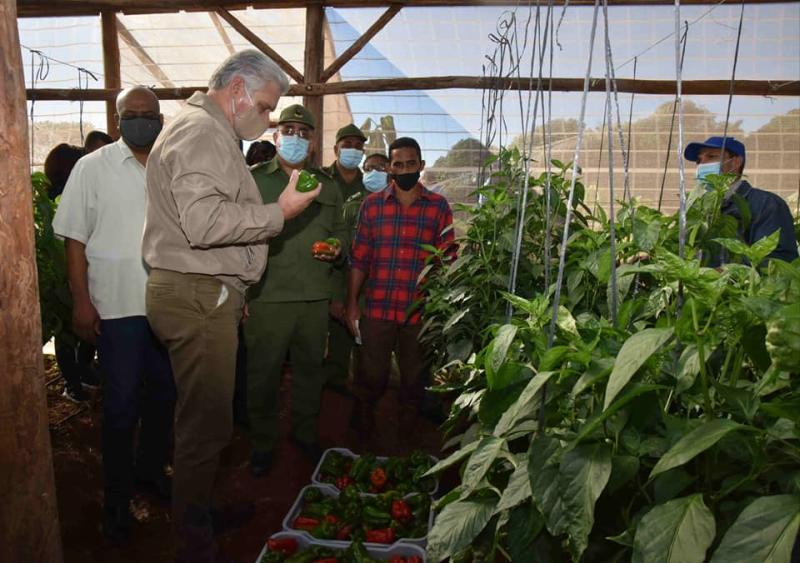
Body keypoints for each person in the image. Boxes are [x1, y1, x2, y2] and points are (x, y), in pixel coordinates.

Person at [142, 50, 319, 563]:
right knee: (204, 429)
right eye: (265, 107)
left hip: (205, 292)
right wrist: (279, 211)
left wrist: (234, 285)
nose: (268, 119)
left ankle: (197, 512)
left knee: (206, 420)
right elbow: (204, 225)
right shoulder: (202, 133)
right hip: (195, 295)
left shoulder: (205, 132)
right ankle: (194, 544)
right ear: (238, 90)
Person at [52, 86, 176, 544]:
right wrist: (81, 301)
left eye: (149, 115)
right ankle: (116, 500)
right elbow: (74, 239)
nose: (141, 121)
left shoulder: (172, 166)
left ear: (161, 120)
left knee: (165, 397)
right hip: (118, 309)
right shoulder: (93, 167)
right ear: (118, 118)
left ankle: (151, 473)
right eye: (132, 114)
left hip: (167, 307)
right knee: (121, 406)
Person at [245, 104, 347, 475]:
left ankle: (304, 433)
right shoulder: (254, 181)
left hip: (315, 297)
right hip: (267, 295)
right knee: (263, 374)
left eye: (304, 133)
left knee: (309, 371)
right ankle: (262, 442)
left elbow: (340, 231)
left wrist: (338, 247)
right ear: (276, 136)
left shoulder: (329, 187)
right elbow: (238, 236)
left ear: (314, 143)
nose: (295, 138)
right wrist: (242, 293)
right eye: (288, 130)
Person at [345, 137, 455, 448]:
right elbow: (360, 257)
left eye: (410, 164)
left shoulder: (438, 207)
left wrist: (441, 309)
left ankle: (407, 439)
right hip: (378, 309)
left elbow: (447, 260)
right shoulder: (373, 205)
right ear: (390, 168)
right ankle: (364, 436)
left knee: (414, 382)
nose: (404, 169)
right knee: (370, 378)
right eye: (398, 164)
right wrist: (352, 304)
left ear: (421, 166)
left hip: (418, 313)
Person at [43, 142, 102, 402]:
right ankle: (73, 382)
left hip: (82, 273)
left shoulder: (73, 194)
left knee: (80, 331)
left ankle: (81, 374)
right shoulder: (57, 200)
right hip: (68, 276)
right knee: (67, 332)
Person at [684, 136, 798, 264]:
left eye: (711, 157)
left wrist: (724, 274)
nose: (702, 164)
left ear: (736, 162)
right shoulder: (698, 207)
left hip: (742, 284)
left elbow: (777, 261)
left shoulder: (766, 204)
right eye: (699, 160)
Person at [321, 124, 369, 393]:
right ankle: (332, 380)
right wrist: (331, 295)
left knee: (358, 327)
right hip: (327, 266)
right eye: (347, 144)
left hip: (361, 270)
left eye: (358, 145)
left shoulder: (370, 183)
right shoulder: (321, 179)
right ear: (336, 148)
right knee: (329, 328)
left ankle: (361, 384)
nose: (353, 149)